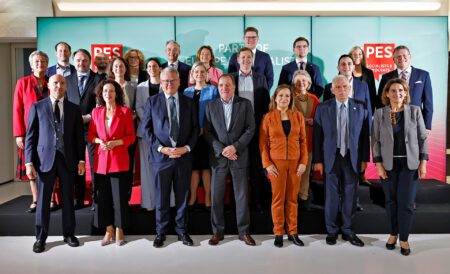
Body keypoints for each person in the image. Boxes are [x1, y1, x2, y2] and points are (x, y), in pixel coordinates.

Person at [25, 74, 85, 253]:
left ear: (66, 86)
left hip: (68, 160)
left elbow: (79, 139)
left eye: (62, 83)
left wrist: (81, 160)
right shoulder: (37, 107)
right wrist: (29, 162)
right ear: (48, 86)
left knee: (68, 198)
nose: (59, 86)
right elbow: (30, 137)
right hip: (44, 160)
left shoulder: (74, 109)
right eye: (55, 83)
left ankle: (69, 234)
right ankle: (40, 238)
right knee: (43, 200)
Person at [142, 67, 198, 248]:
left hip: (183, 157)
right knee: (161, 196)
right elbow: (147, 129)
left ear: (179, 82)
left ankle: (182, 230)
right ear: (161, 81)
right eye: (165, 81)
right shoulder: (152, 101)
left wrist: (186, 148)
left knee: (182, 196)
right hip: (161, 158)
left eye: (172, 81)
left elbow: (196, 129)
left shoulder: (189, 102)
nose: (169, 84)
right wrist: (161, 148)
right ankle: (161, 232)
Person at [372, 78, 428, 256]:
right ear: (387, 94)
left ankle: (404, 238)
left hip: (409, 165)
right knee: (390, 201)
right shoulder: (380, 114)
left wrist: (423, 162)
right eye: (393, 91)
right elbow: (375, 141)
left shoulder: (415, 111)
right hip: (388, 165)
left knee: (407, 203)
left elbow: (422, 138)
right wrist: (379, 165)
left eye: (401, 91)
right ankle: (392, 234)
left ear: (406, 93)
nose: (397, 94)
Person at [313, 75, 370, 247]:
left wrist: (365, 159)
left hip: (352, 158)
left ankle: (347, 230)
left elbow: (364, 137)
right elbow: (317, 136)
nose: (342, 90)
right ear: (331, 90)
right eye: (338, 87)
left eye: (345, 86)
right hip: (331, 157)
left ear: (350, 87)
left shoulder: (361, 107)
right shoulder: (323, 108)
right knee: (331, 196)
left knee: (350, 195)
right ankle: (331, 231)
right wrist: (318, 160)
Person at [203, 74, 256, 246]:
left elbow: (250, 128)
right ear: (217, 87)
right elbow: (208, 132)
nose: (224, 88)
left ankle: (244, 232)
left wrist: (235, 147)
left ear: (234, 87)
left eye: (227, 85)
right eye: (221, 85)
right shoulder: (210, 106)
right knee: (216, 196)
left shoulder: (245, 104)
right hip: (219, 159)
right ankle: (217, 232)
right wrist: (222, 149)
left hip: (239, 156)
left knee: (241, 196)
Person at [88, 80, 136, 246]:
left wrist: (117, 143)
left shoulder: (125, 111)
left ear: (117, 93)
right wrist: (99, 141)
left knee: (120, 198)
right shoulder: (96, 112)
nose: (108, 94)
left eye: (111, 91)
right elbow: (91, 136)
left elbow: (131, 137)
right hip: (101, 161)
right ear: (101, 94)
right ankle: (108, 230)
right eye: (105, 91)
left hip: (119, 160)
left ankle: (119, 230)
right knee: (104, 198)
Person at [260, 85, 308, 247]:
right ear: (275, 98)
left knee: (292, 199)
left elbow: (303, 142)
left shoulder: (298, 116)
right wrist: (267, 164)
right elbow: (263, 145)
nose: (284, 99)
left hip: (295, 164)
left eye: (287, 96)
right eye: (281, 96)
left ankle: (293, 232)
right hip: (276, 164)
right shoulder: (268, 118)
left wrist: (303, 162)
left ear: (291, 99)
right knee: (278, 199)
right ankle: (279, 232)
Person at [230, 47, 270, 212]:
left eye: (249, 57)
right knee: (237, 169)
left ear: (253, 60)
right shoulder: (231, 79)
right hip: (236, 131)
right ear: (238, 60)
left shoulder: (261, 78)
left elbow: (266, 104)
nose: (246, 60)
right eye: (243, 57)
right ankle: (237, 205)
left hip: (256, 129)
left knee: (256, 168)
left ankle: (258, 203)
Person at [14, 50, 54, 213]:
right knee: (31, 165)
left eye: (43, 61)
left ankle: (51, 199)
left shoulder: (52, 82)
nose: (40, 64)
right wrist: (19, 134)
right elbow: (17, 109)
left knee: (50, 164)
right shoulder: (22, 83)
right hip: (29, 131)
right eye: (37, 62)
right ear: (31, 65)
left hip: (49, 130)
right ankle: (36, 199)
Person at [65, 48, 102, 208]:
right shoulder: (66, 79)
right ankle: (79, 199)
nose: (81, 63)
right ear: (74, 62)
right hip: (73, 130)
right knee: (76, 164)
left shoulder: (99, 78)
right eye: (78, 60)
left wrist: (88, 117)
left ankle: (96, 199)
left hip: (93, 127)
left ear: (90, 62)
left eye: (85, 60)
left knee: (95, 165)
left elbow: (102, 103)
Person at [184, 62, 219, 209]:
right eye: (196, 72)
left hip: (207, 134)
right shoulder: (186, 91)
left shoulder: (213, 90)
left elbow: (216, 112)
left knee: (205, 167)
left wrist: (205, 128)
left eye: (202, 72)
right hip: (191, 134)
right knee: (193, 168)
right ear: (192, 74)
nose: (199, 74)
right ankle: (193, 197)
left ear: (207, 74)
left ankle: (207, 197)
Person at [377, 45, 433, 132]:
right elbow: (380, 102)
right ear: (393, 60)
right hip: (392, 121)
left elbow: (428, 103)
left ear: (410, 57)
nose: (401, 58)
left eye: (404, 56)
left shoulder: (423, 75)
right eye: (398, 56)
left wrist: (427, 125)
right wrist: (380, 122)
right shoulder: (386, 77)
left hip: (416, 120)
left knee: (414, 145)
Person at [136, 58, 164, 211]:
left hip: (164, 132)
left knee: (163, 169)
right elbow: (139, 108)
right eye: (149, 66)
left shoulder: (166, 84)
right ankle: (148, 203)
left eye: (155, 66)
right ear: (146, 70)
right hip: (145, 131)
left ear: (160, 68)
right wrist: (150, 122)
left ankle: (165, 202)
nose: (152, 68)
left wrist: (159, 124)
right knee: (146, 169)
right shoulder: (140, 87)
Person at [291, 70, 320, 210]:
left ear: (309, 83)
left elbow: (320, 119)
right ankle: (292, 198)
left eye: (304, 81)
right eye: (298, 81)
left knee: (306, 172)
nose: (301, 83)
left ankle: (303, 198)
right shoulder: (288, 97)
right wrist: (304, 120)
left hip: (309, 142)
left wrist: (313, 121)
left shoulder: (314, 99)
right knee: (293, 172)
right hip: (292, 143)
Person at [110, 57, 137, 201]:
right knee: (113, 167)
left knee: (128, 165)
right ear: (112, 69)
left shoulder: (133, 87)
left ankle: (126, 197)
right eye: (116, 66)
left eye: (121, 66)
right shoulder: (107, 86)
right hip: (111, 135)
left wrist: (129, 118)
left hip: (128, 133)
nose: (118, 69)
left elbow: (135, 109)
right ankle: (113, 198)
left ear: (125, 69)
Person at [349, 46, 376, 113]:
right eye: (354, 54)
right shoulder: (345, 72)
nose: (357, 56)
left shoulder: (369, 73)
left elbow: (372, 93)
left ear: (363, 56)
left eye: (360, 54)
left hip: (365, 109)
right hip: (349, 108)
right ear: (350, 56)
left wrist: (371, 111)